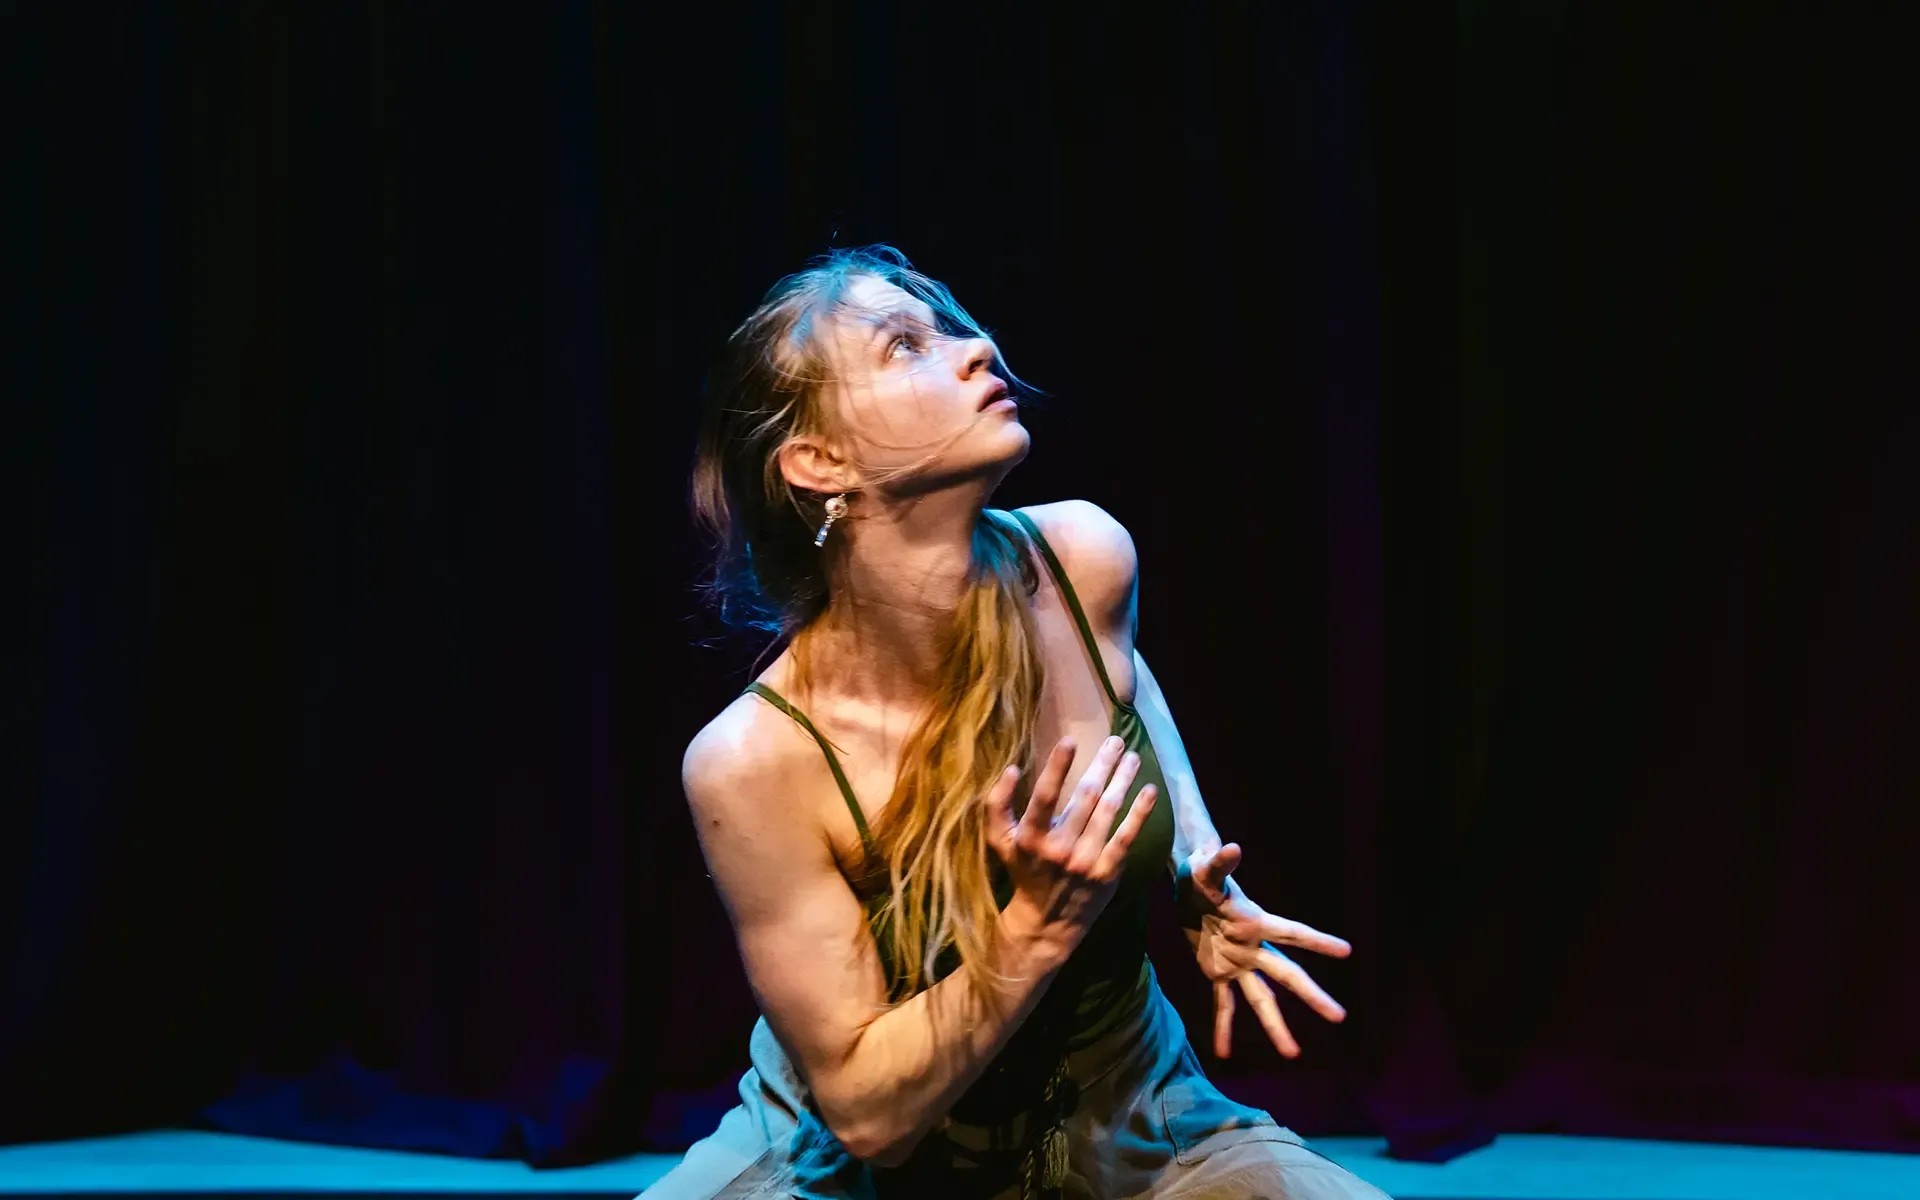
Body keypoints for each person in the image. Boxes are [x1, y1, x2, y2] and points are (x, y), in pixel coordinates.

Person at [645, 246, 1391, 1199]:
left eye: (952, 329)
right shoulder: (759, 758)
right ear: (820, 462)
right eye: (904, 345)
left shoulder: (1082, 562)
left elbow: (1126, 687)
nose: (978, 349)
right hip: (844, 1173)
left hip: (1133, 1120)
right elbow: (869, 1118)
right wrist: (1033, 927)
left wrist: (1191, 857)